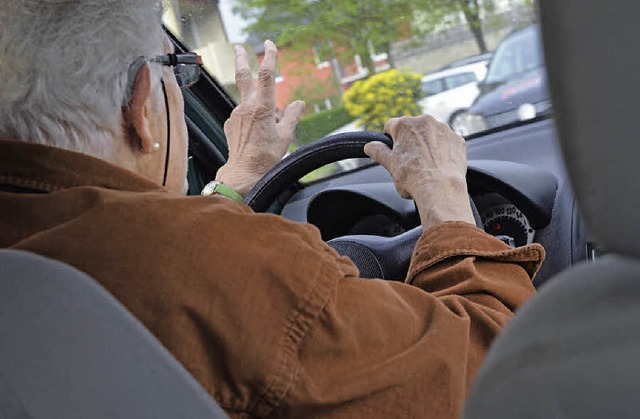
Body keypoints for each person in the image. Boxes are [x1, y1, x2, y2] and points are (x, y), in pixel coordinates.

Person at [0, 1, 544, 417]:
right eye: (176, 73)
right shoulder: (218, 268)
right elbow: (492, 372)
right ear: (143, 105)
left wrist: (235, 182)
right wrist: (446, 200)